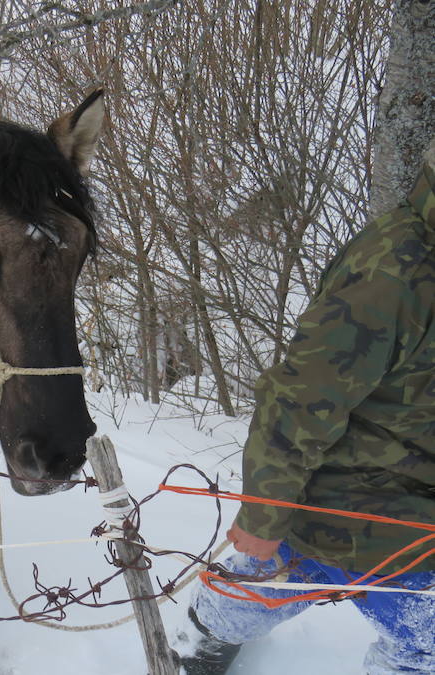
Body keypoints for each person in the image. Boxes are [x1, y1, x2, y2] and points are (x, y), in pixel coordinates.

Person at [175, 140, 435, 675]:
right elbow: (298, 399)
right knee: (257, 594)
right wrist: (265, 516)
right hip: (350, 509)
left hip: (416, 515)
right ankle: (197, 644)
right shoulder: (395, 270)